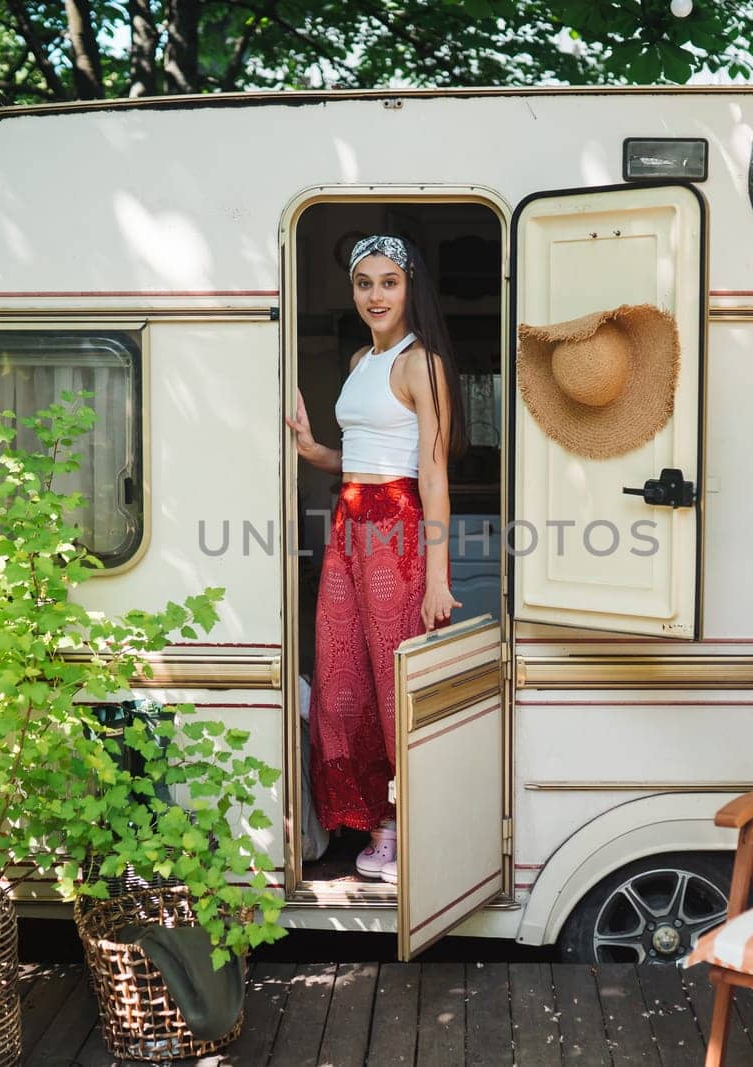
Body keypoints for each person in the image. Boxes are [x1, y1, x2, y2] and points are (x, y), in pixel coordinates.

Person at [285, 234, 467, 883]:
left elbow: (433, 473)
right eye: (365, 282)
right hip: (349, 523)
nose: (375, 295)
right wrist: (315, 452)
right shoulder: (364, 356)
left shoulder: (424, 363)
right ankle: (373, 816)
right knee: (341, 683)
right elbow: (363, 455)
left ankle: (413, 823)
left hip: (396, 528)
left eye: (388, 282)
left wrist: (437, 577)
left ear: (409, 286)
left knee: (395, 686)